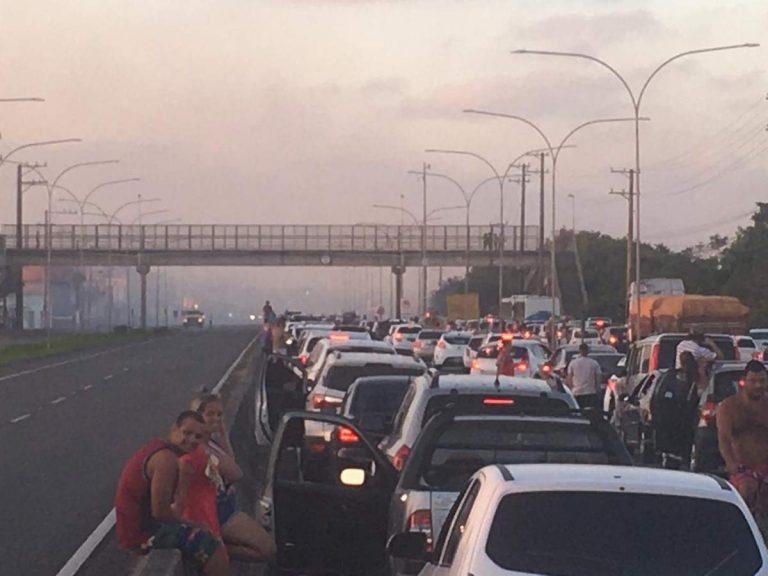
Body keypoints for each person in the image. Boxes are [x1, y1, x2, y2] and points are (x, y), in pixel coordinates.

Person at [115, 411, 229, 576]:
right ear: (174, 428)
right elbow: (160, 512)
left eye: (197, 437)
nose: (191, 440)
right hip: (142, 534)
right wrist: (194, 525)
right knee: (213, 546)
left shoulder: (160, 447)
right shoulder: (166, 461)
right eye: (186, 433)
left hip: (140, 528)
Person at [191, 394, 276, 563]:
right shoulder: (201, 449)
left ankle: (215, 549)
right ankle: (213, 549)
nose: (216, 419)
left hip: (225, 506)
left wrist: (223, 435)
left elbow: (231, 463)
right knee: (267, 549)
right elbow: (236, 473)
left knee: (268, 549)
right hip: (216, 512)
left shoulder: (210, 443)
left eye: (219, 414)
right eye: (210, 414)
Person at [717, 360, 768, 528]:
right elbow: (724, 439)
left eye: (762, 381)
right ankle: (738, 528)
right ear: (744, 381)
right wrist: (731, 463)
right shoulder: (729, 406)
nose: (758, 385)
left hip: (765, 465)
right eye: (753, 381)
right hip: (742, 466)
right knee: (747, 489)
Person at [566, 343, 602, 409]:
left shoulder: (573, 363)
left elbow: (569, 379)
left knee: (578, 411)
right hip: (590, 392)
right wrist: (598, 391)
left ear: (579, 351)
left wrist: (571, 389)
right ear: (587, 351)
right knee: (589, 411)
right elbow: (598, 379)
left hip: (576, 392)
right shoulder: (594, 363)